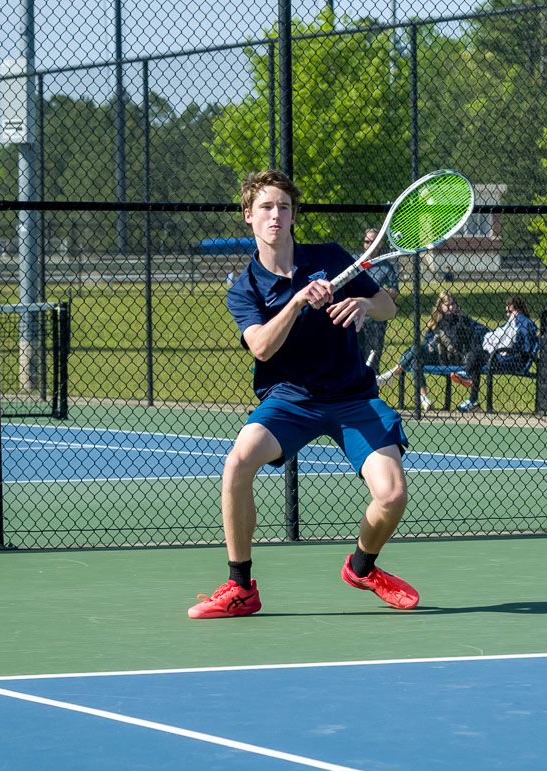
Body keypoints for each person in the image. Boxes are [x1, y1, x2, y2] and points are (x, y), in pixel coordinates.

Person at [188, 170, 418, 619]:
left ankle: (362, 567)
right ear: (248, 216)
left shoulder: (332, 257)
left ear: (294, 216)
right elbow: (260, 346)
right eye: (267, 207)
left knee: (391, 496)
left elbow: (389, 304)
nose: (276, 215)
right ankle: (240, 587)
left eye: (284, 207)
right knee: (237, 462)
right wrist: (295, 302)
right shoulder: (246, 289)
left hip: (353, 398)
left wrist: (366, 304)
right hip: (290, 399)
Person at [376, 290, 479, 411]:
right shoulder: (435, 322)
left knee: (415, 351)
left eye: (452, 304)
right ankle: (424, 397)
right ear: (440, 306)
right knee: (416, 358)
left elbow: (480, 329)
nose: (450, 307)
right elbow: (427, 344)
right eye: (447, 304)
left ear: (456, 305)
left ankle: (391, 374)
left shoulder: (464, 321)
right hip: (436, 355)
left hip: (454, 358)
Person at [450, 295, 538, 412]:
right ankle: (472, 399)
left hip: (513, 360)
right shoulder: (511, 323)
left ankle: (468, 376)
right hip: (500, 356)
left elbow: (525, 348)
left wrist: (508, 351)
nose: (507, 315)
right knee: (476, 356)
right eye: (506, 311)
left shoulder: (525, 323)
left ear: (519, 310)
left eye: (510, 311)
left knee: (476, 354)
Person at [355, 227, 400, 369]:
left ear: (379, 244)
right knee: (353, 358)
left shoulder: (386, 267)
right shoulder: (354, 261)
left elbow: (395, 292)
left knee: (372, 360)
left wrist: (376, 290)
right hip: (353, 317)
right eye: (367, 242)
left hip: (376, 319)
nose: (369, 245)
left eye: (373, 242)